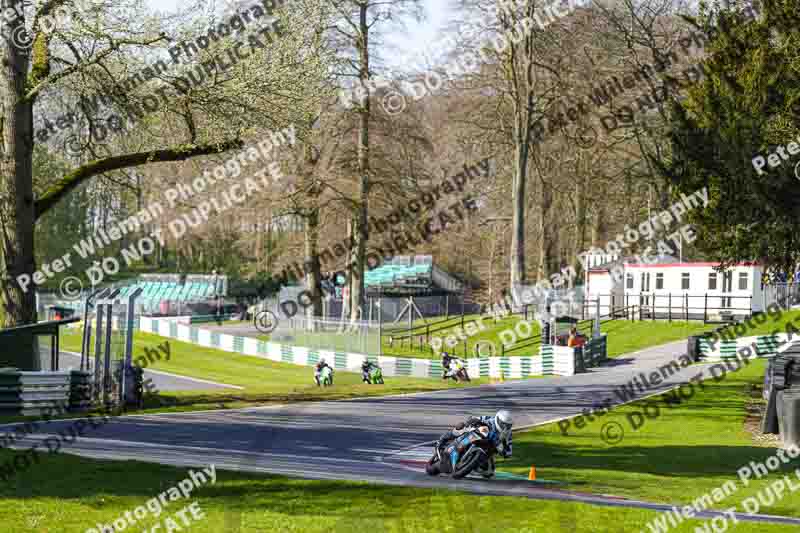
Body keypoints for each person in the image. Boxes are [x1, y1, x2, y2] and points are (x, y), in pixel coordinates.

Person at [435, 410, 513, 476]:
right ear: (498, 420)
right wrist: (473, 421)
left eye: (508, 426)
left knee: (490, 473)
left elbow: (509, 451)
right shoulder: (489, 419)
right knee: (462, 428)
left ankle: (472, 467)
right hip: (478, 436)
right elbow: (475, 418)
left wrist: (504, 451)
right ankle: (443, 438)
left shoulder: (508, 434)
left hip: (488, 448)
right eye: (504, 424)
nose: (505, 427)